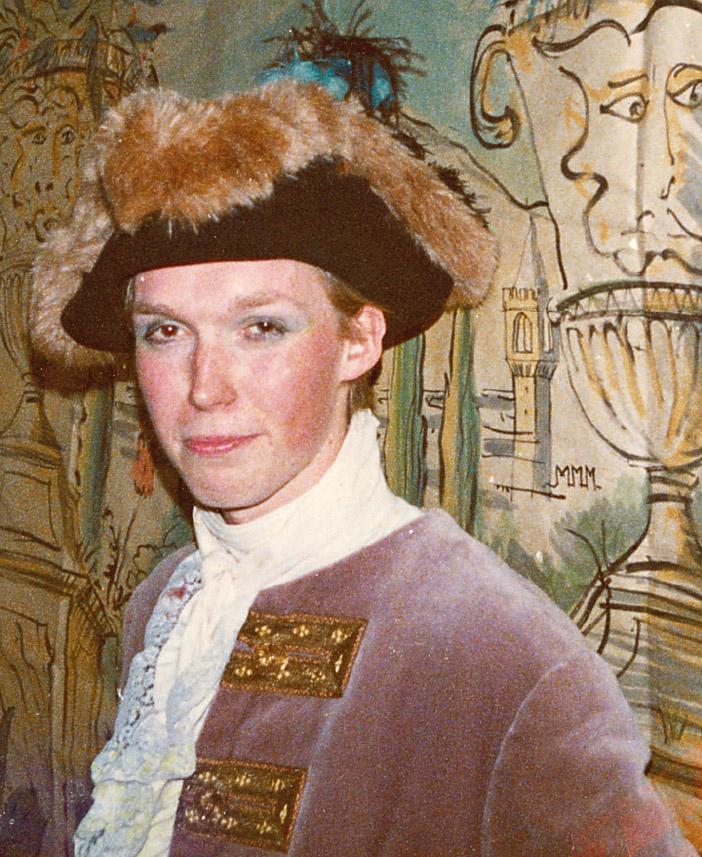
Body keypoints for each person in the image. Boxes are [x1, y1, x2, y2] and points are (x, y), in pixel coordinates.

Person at [31, 80, 696, 857]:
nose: (203, 388)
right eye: (166, 331)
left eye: (261, 327)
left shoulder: (504, 654)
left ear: (358, 342)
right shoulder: (167, 605)